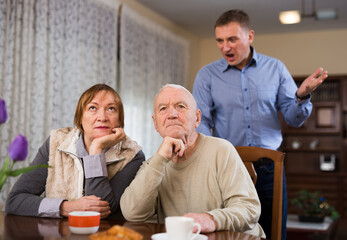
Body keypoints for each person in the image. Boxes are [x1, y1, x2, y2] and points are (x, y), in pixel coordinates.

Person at [192, 9, 328, 240]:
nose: (225, 47)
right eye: (220, 40)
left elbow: (294, 118)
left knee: (274, 232)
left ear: (250, 36)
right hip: (228, 168)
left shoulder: (275, 69)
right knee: (232, 233)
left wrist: (302, 96)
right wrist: (209, 156)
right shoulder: (207, 75)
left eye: (232, 39)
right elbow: (201, 121)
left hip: (270, 169)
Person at [120, 84, 266, 238]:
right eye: (163, 109)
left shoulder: (222, 149)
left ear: (197, 118)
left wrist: (211, 219)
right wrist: (160, 159)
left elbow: (249, 209)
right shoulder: (154, 164)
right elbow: (132, 213)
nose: (172, 114)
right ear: (155, 123)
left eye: (180, 106)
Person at [6, 83, 145, 219]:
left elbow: (100, 212)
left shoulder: (132, 155)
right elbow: (15, 200)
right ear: (79, 119)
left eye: (111, 109)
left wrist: (96, 149)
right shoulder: (56, 143)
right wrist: (66, 207)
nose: (102, 117)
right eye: (92, 108)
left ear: (120, 121)